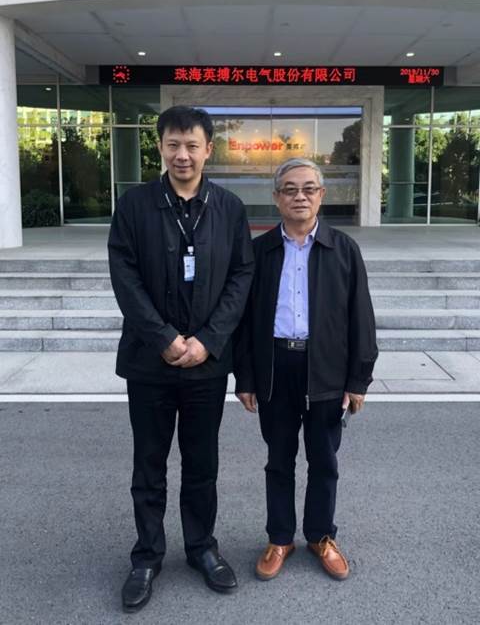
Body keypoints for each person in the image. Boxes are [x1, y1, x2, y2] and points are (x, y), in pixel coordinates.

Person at [108, 105, 254, 613]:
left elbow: (241, 277)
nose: (182, 155)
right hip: (150, 362)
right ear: (160, 148)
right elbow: (125, 277)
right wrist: (165, 338)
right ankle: (146, 556)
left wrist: (208, 341)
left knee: (202, 463)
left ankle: (201, 548)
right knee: (148, 464)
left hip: (206, 366)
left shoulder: (229, 208)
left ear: (209, 149)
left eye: (192, 145)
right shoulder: (134, 205)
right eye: (173, 144)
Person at [235, 157, 377, 582]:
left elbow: (361, 319)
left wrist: (358, 380)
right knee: (278, 460)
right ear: (277, 198)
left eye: (309, 189)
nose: (300, 196)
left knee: (324, 460)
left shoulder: (343, 249)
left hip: (327, 370)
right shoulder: (259, 251)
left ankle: (320, 536)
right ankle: (280, 538)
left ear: (322, 196)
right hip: (276, 368)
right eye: (291, 189)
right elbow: (243, 320)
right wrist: (245, 377)